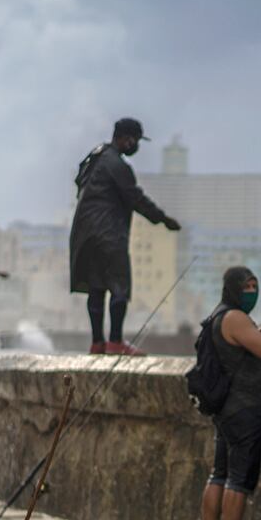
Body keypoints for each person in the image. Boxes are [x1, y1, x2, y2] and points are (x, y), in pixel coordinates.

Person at [70, 118, 181, 355]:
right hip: (108, 234)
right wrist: (163, 219)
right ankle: (116, 342)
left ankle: (97, 343)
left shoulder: (96, 157)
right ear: (126, 138)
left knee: (96, 288)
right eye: (136, 140)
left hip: (85, 233)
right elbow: (135, 198)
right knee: (119, 287)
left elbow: (78, 182)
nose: (136, 146)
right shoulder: (117, 165)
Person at [199, 266, 261, 520]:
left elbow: (245, 346)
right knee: (237, 480)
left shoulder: (220, 316)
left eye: (255, 285)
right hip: (243, 410)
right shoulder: (234, 317)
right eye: (247, 286)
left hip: (225, 410)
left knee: (219, 475)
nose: (252, 291)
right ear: (233, 288)